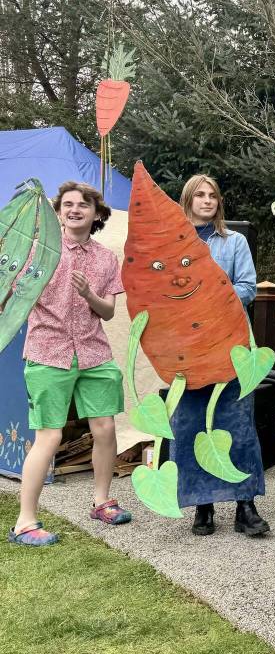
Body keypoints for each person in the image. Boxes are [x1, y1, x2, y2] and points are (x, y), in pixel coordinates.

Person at [9, 182, 130, 546]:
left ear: (96, 214)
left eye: (83, 205)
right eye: (68, 205)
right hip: (48, 350)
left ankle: (100, 501)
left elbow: (108, 312)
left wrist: (89, 294)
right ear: (58, 212)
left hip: (94, 353)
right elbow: (13, 294)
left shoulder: (107, 258)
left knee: (106, 428)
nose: (75, 209)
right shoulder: (39, 252)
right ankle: (24, 523)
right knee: (49, 435)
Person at [171, 174, 267, 537]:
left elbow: (247, 287)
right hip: (187, 349)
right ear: (188, 201)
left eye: (213, 195)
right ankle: (203, 505)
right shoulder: (172, 244)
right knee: (192, 422)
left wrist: (211, 302)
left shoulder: (234, 241)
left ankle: (246, 505)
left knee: (238, 422)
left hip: (231, 345)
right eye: (200, 195)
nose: (208, 201)